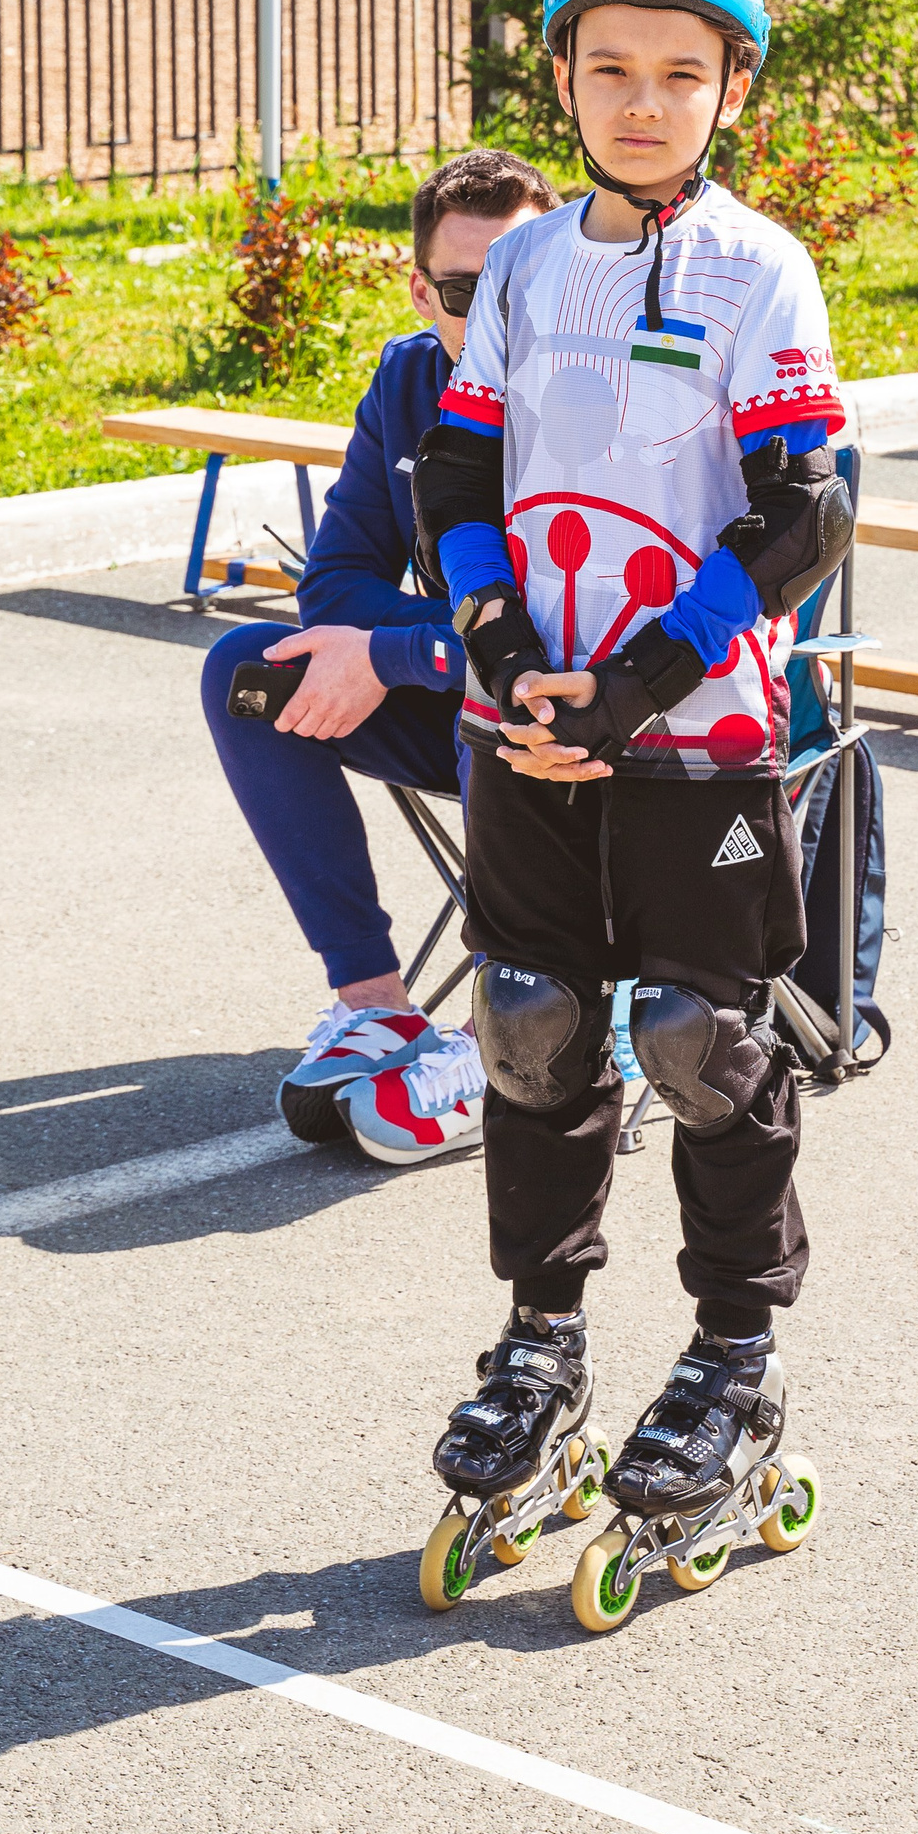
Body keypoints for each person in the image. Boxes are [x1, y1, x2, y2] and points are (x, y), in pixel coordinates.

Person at [410, 0, 852, 1612]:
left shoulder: (760, 267)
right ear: (565, 83)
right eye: (612, 69)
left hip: (701, 737)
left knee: (699, 1041)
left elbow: (802, 509)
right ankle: (544, 1346)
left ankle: (735, 1364)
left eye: (681, 71)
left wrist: (635, 687)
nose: (644, 100)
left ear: (734, 89)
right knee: (528, 1027)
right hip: (528, 723)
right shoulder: (525, 266)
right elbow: (459, 474)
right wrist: (505, 659)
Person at [199, 147, 558, 1164]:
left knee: (502, 704)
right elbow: (336, 585)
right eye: (465, 291)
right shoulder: (409, 379)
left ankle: (518, 1028)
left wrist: (399, 654)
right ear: (419, 291)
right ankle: (377, 1007)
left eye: (521, 287)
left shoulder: (603, 396)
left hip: (586, 722)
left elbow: (575, 635)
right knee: (248, 673)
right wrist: (412, 651)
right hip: (468, 697)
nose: (495, 316)